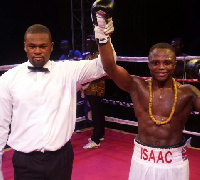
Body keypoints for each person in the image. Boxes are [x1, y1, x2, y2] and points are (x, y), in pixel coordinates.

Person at [0, 21, 114, 179]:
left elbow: (104, 66)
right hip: (25, 161)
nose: (37, 51)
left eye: (43, 46)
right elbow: (1, 124)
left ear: (52, 46)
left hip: (61, 158)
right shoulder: (8, 79)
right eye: (32, 46)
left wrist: (103, 37)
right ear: (25, 46)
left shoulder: (67, 71)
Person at [93, 10, 200, 179]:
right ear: (149, 65)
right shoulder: (138, 87)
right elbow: (110, 68)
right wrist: (102, 35)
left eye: (167, 63)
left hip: (175, 162)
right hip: (142, 158)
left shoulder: (188, 92)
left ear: (174, 64)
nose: (161, 67)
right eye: (156, 63)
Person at [82, 35, 106, 149]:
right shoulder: (89, 56)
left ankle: (95, 139)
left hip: (95, 88)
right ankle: (100, 134)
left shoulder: (98, 57)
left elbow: (101, 73)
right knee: (98, 112)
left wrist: (87, 80)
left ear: (94, 44)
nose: (88, 45)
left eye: (90, 43)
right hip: (90, 88)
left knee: (96, 114)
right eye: (87, 43)